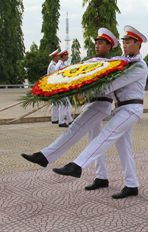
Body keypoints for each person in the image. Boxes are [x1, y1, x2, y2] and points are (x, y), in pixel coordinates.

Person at [51, 25, 148, 199]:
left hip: (132, 109)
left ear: (138, 44)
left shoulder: (139, 66)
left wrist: (84, 89)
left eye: (128, 42)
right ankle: (132, 185)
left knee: (106, 134)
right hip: (121, 109)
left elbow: (112, 84)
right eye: (124, 42)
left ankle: (77, 165)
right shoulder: (124, 62)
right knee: (124, 148)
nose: (125, 45)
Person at [22, 28, 119, 191]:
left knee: (75, 128)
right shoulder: (90, 62)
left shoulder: (111, 65)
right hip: (90, 103)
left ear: (109, 47)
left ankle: (45, 156)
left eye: (101, 43)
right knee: (95, 142)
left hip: (101, 104)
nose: (97, 46)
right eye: (96, 43)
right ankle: (102, 177)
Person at [55, 50, 74, 128]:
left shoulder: (60, 64)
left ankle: (70, 120)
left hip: (61, 86)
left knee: (66, 104)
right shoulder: (61, 65)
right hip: (62, 86)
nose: (68, 57)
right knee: (64, 104)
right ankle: (61, 121)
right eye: (66, 55)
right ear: (63, 56)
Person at [47, 50, 60, 124]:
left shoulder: (54, 64)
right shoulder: (52, 66)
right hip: (53, 86)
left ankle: (55, 118)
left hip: (54, 86)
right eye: (58, 56)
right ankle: (54, 118)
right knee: (55, 104)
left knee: (55, 104)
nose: (59, 57)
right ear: (55, 57)